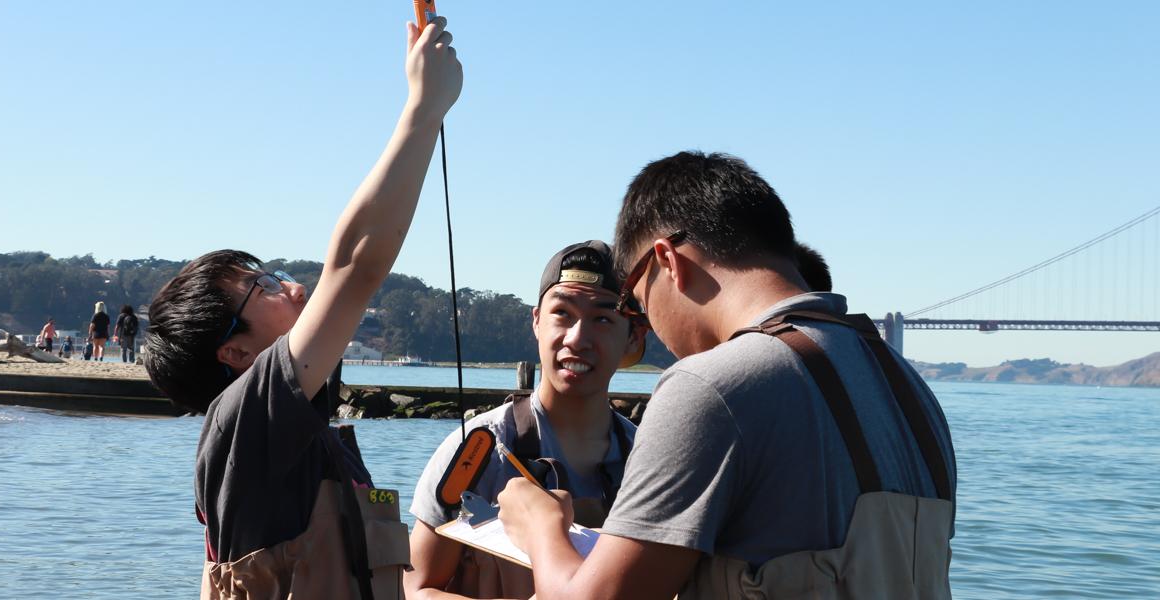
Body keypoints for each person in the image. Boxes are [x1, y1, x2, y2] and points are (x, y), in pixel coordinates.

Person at [497, 151, 957, 599]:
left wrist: (540, 526)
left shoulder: (710, 386)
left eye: (633, 302)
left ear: (667, 262)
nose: (649, 325)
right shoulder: (908, 386)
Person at [142, 18, 461, 600]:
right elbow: (355, 266)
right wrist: (424, 107)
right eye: (261, 286)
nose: (292, 288)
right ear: (234, 352)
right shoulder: (241, 424)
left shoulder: (296, 437)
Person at [404, 241, 646, 599]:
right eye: (562, 313)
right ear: (536, 322)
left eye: (603, 319)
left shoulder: (646, 462)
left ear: (633, 337)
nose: (577, 338)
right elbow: (416, 588)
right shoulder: (478, 450)